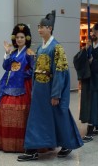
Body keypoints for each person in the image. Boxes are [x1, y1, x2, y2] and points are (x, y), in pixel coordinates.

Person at [17, 10, 83, 162]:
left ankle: (67, 143)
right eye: (39, 26)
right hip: (39, 90)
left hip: (50, 88)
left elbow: (60, 72)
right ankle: (32, 149)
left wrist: (56, 94)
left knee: (59, 116)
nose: (40, 29)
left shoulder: (57, 48)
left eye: (43, 26)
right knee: (37, 118)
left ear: (50, 28)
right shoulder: (40, 48)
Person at [0, 24, 35, 152]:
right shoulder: (13, 52)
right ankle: (5, 141)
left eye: (21, 37)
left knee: (19, 113)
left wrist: (20, 75)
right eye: (17, 37)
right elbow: (5, 66)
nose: (19, 39)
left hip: (23, 85)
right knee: (0, 108)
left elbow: (32, 70)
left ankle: (20, 143)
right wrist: (7, 53)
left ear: (26, 38)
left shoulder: (29, 53)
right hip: (8, 83)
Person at [73, 41, 91, 124]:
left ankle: (86, 117)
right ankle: (86, 117)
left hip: (86, 77)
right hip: (87, 78)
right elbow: (77, 60)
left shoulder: (83, 52)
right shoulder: (84, 51)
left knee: (86, 99)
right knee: (86, 99)